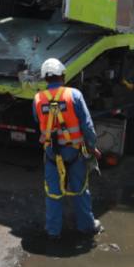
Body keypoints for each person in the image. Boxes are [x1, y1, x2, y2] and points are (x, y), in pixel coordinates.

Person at [33, 58, 102, 239]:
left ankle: (53, 231)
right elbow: (87, 126)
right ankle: (86, 226)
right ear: (63, 75)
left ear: (45, 78)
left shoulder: (38, 99)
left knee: (53, 192)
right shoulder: (74, 94)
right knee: (80, 189)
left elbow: (38, 121)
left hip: (51, 153)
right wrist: (92, 147)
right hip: (74, 152)